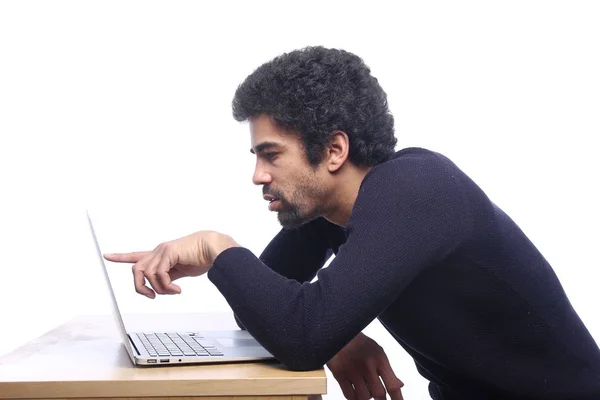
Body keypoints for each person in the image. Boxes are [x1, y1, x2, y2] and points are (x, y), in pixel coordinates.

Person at [104, 46, 600, 400]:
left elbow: (298, 338)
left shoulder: (417, 189)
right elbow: (268, 312)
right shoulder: (329, 214)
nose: (258, 175)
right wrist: (337, 333)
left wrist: (216, 248)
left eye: (270, 155)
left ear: (334, 150)